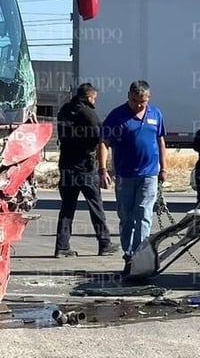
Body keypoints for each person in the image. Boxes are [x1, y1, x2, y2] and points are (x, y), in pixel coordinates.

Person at [98, 80, 167, 267]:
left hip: (149, 174)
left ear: (148, 99)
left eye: (142, 102)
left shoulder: (156, 114)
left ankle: (138, 255)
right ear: (128, 96)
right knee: (127, 217)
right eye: (134, 100)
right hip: (125, 175)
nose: (138, 105)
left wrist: (164, 168)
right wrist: (103, 169)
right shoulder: (117, 116)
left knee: (144, 214)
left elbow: (160, 141)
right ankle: (128, 253)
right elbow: (104, 142)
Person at [53, 83, 119, 258]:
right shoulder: (87, 112)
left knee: (67, 207)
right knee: (95, 206)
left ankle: (62, 246)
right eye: (94, 98)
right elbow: (101, 136)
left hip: (66, 165)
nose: (95, 101)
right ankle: (104, 243)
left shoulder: (64, 110)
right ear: (89, 97)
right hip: (84, 167)